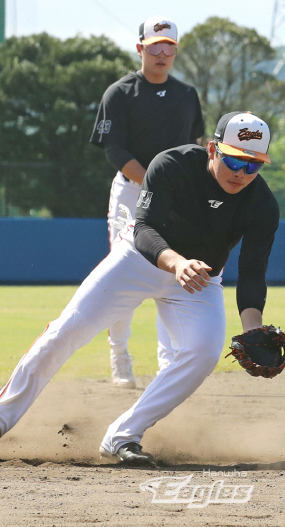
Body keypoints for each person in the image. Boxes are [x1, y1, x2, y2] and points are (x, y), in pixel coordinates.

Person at [0, 111, 279, 466]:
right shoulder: (172, 165)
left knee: (203, 352)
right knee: (67, 330)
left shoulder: (262, 203)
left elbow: (253, 270)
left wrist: (253, 330)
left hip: (199, 279)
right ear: (212, 149)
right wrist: (176, 263)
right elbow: (144, 228)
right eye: (234, 158)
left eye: (252, 165)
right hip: (139, 261)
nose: (241, 172)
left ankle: (123, 436)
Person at [89, 15, 205, 388]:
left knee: (169, 276)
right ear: (140, 48)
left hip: (177, 196)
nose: (162, 52)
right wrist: (156, 183)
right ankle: (119, 355)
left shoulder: (186, 94)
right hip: (130, 191)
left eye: (169, 46)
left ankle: (167, 365)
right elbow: (114, 149)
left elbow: (195, 146)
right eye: (155, 45)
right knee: (120, 277)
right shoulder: (120, 93)